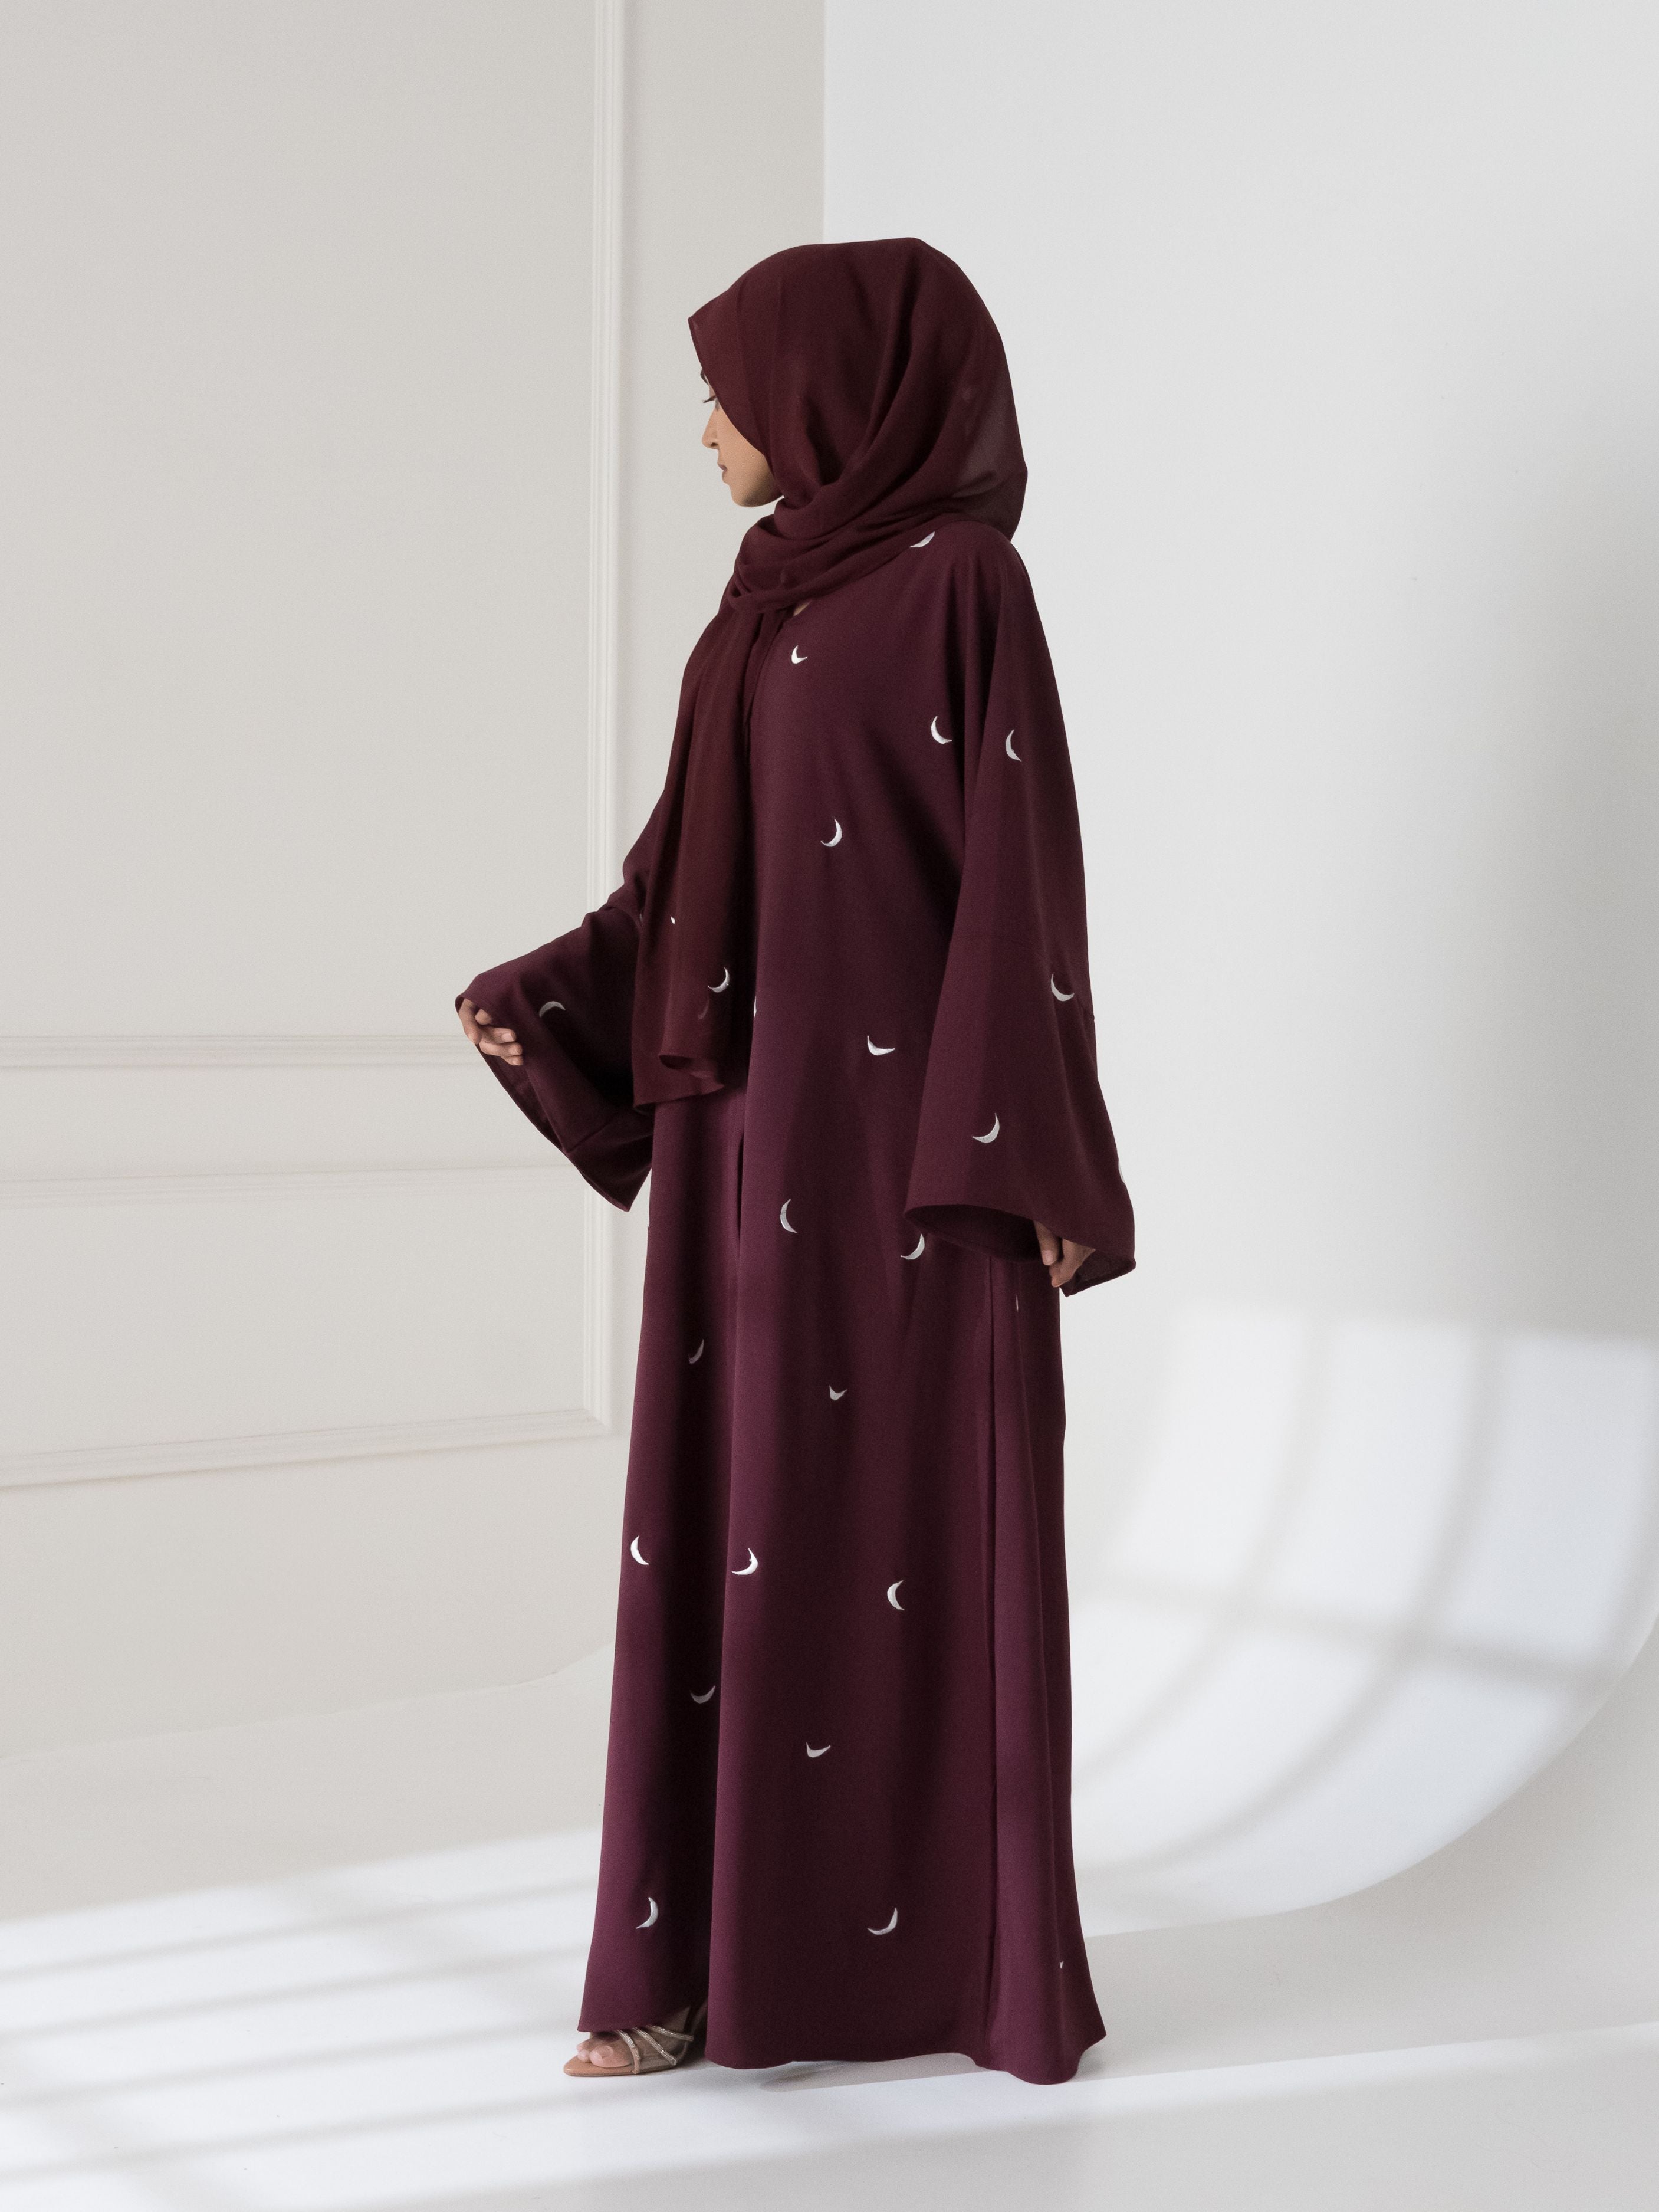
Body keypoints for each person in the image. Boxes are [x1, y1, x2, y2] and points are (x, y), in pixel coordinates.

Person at [457, 238, 1134, 2086]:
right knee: (730, 1528)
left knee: (908, 1523)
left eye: (730, 394)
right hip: (739, 1132)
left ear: (831, 392)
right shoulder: (752, 611)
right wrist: (549, 994)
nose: (706, 432)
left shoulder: (966, 586)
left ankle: (955, 1980)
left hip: (919, 1152)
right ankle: (686, 1975)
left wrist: (1032, 1156)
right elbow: (684, 871)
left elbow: (1021, 878)